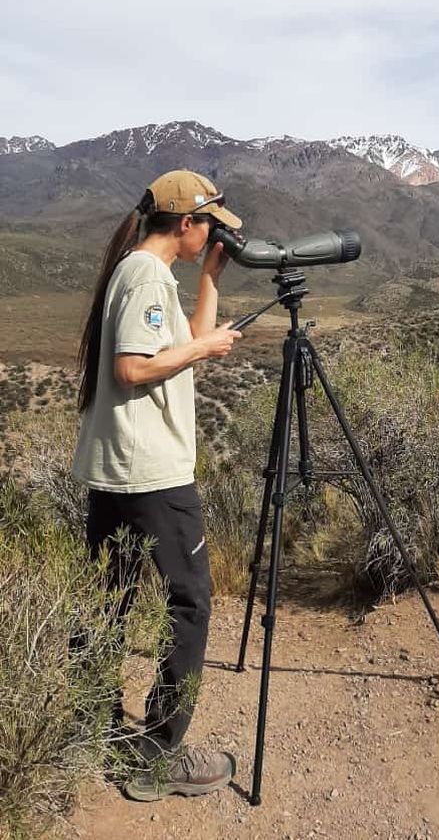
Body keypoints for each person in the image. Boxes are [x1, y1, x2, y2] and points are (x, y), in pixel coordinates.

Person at [72, 169, 243, 801]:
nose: (212, 237)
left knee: (108, 599)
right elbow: (135, 366)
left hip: (118, 469)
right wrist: (206, 352)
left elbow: (185, 339)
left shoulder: (143, 272)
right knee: (190, 602)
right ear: (187, 223)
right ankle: (158, 754)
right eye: (211, 228)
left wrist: (211, 285)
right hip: (152, 474)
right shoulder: (145, 275)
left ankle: (88, 723)